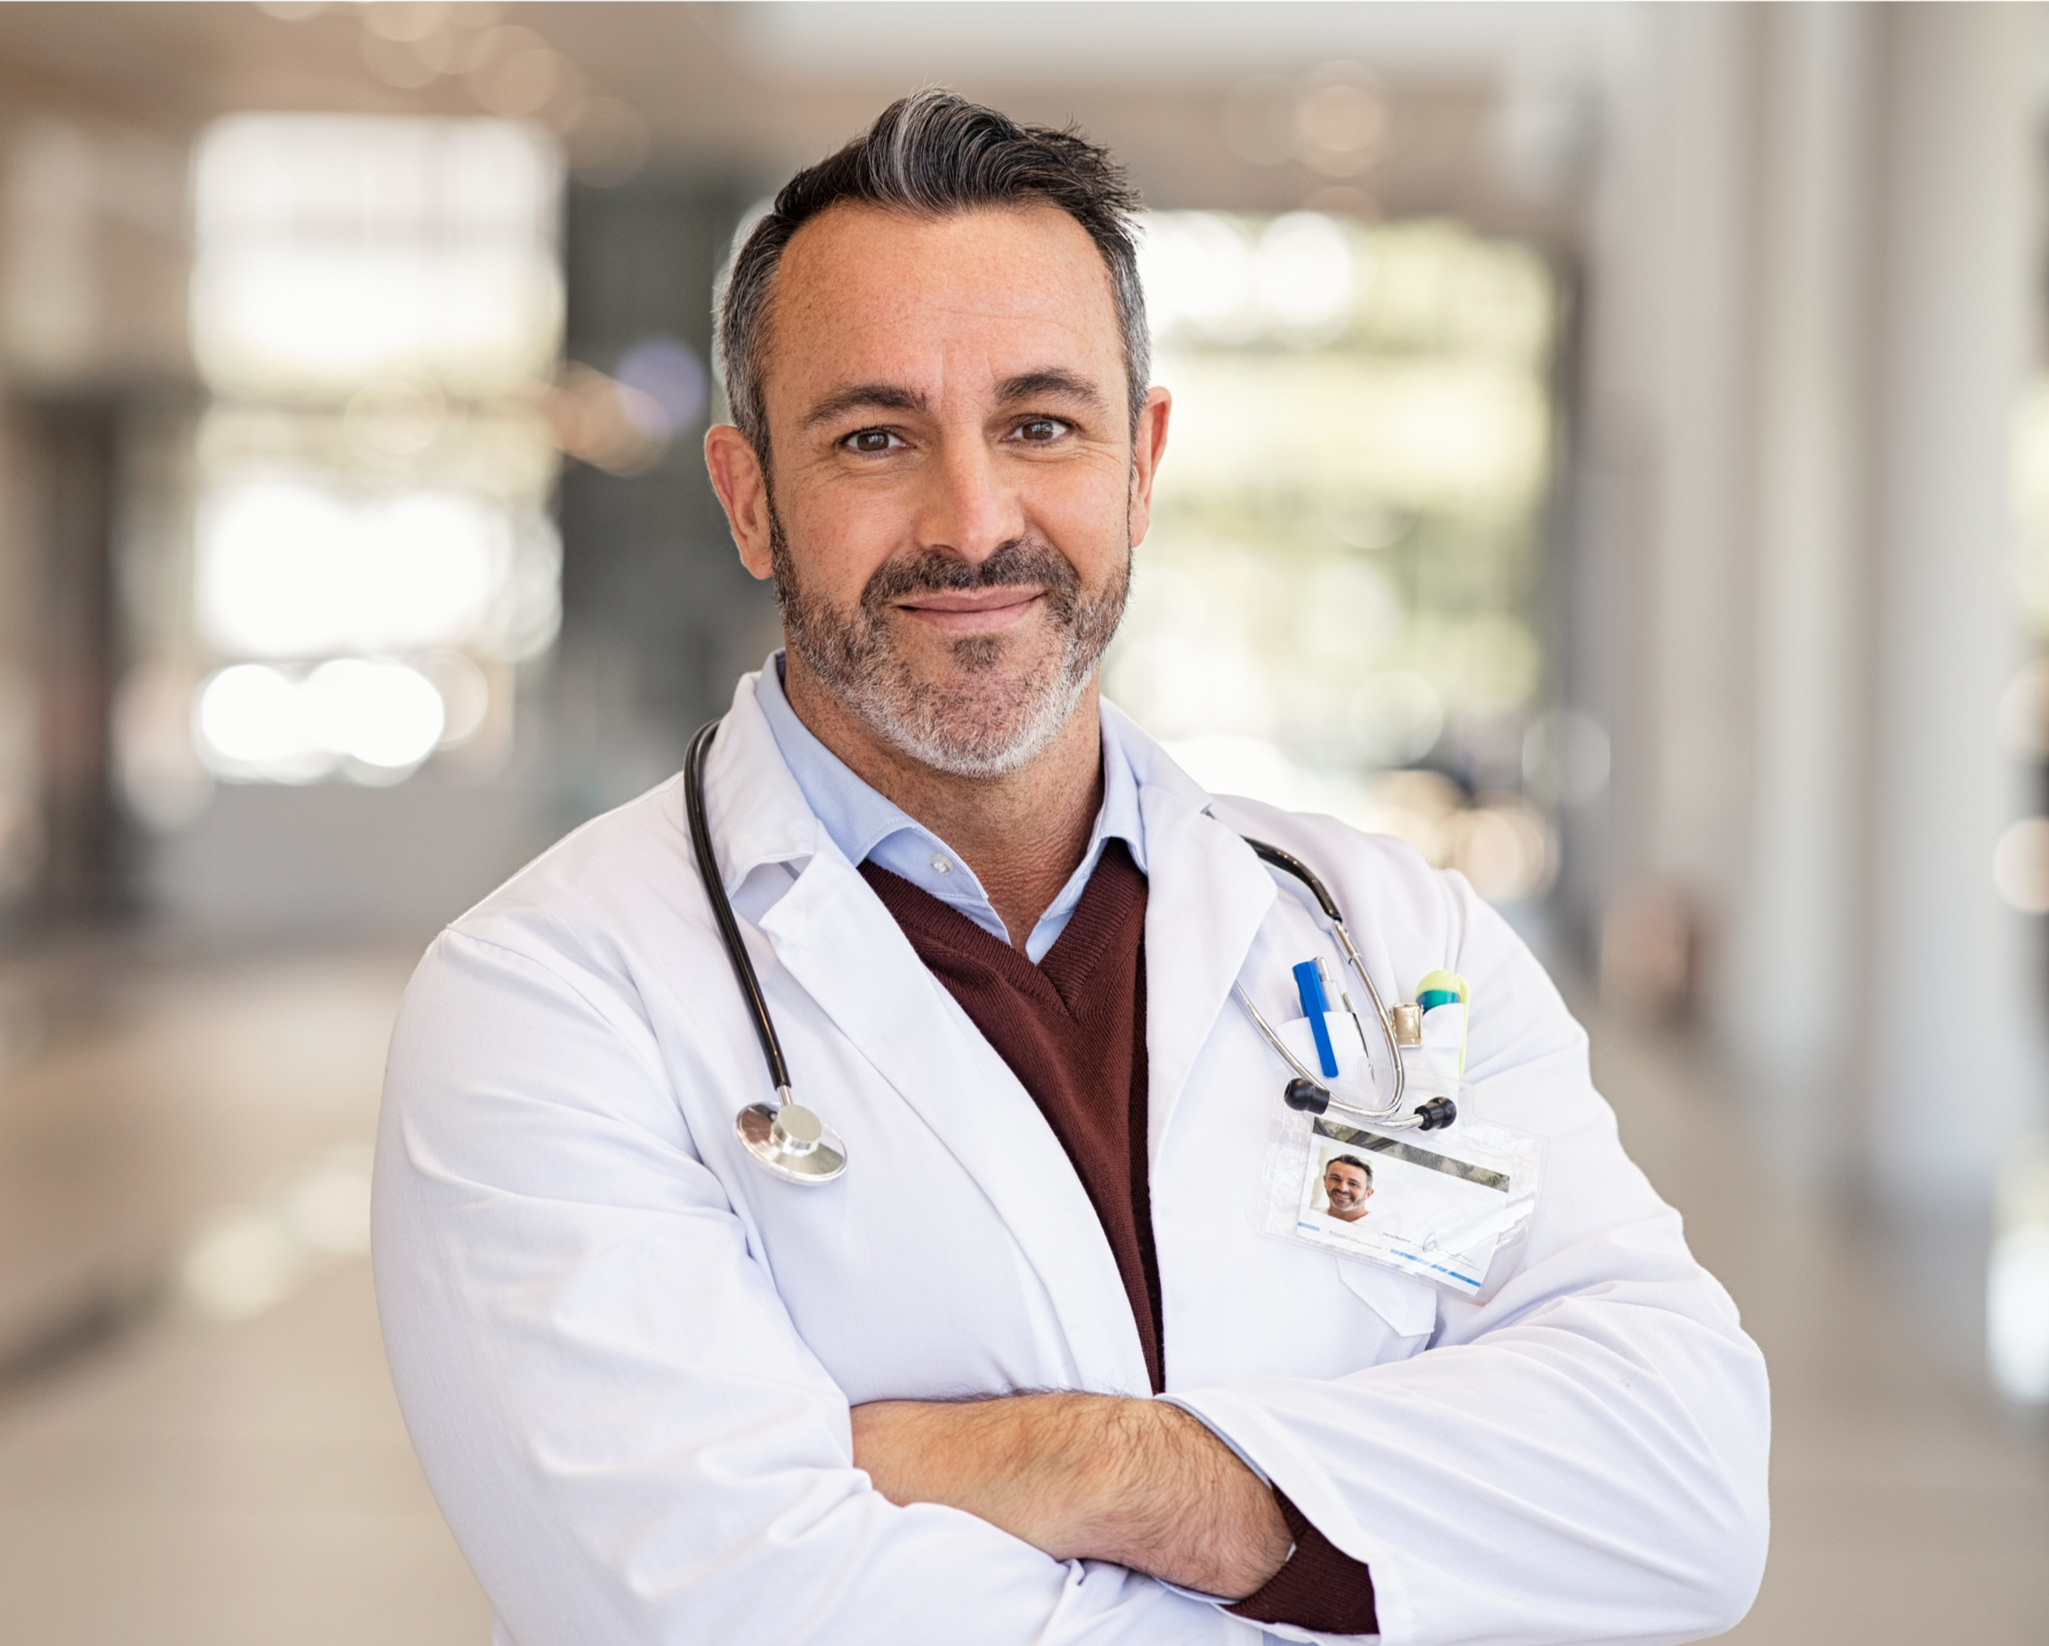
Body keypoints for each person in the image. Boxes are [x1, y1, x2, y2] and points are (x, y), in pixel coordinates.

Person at [373, 91, 1769, 1646]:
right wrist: (1366, 1554)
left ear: (1142, 462)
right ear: (750, 495)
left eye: (1040, 423)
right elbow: (722, 1605)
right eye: (874, 436)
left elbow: (1685, 1489)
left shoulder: (1392, 936)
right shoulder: (550, 1000)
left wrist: (1090, 1464)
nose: (972, 522)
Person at [1321, 1156, 1374, 1223]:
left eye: (1353, 1184)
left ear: (1368, 1193)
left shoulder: (1377, 1229)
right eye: (1335, 1179)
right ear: (1325, 1181)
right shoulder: (1309, 1214)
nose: (1342, 1188)